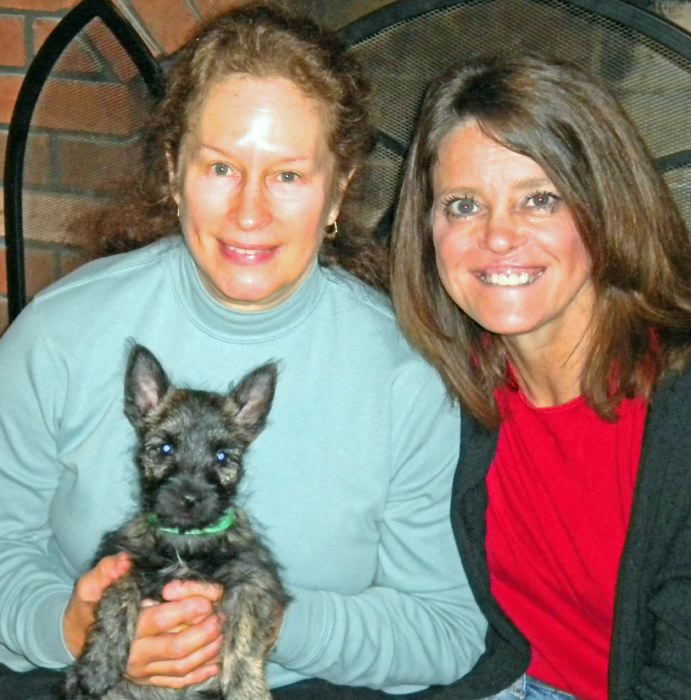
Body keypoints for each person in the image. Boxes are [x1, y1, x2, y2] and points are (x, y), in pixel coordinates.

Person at [0, 4, 488, 699]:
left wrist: (265, 618)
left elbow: (442, 630)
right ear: (173, 170)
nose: (250, 213)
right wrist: (72, 628)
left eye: (288, 176)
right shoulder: (58, 333)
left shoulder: (406, 375)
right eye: (222, 168)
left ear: (339, 189)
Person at [391, 54, 691, 700]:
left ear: (604, 209)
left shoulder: (677, 413)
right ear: (427, 229)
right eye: (463, 205)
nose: (497, 236)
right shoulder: (436, 384)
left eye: (539, 200)